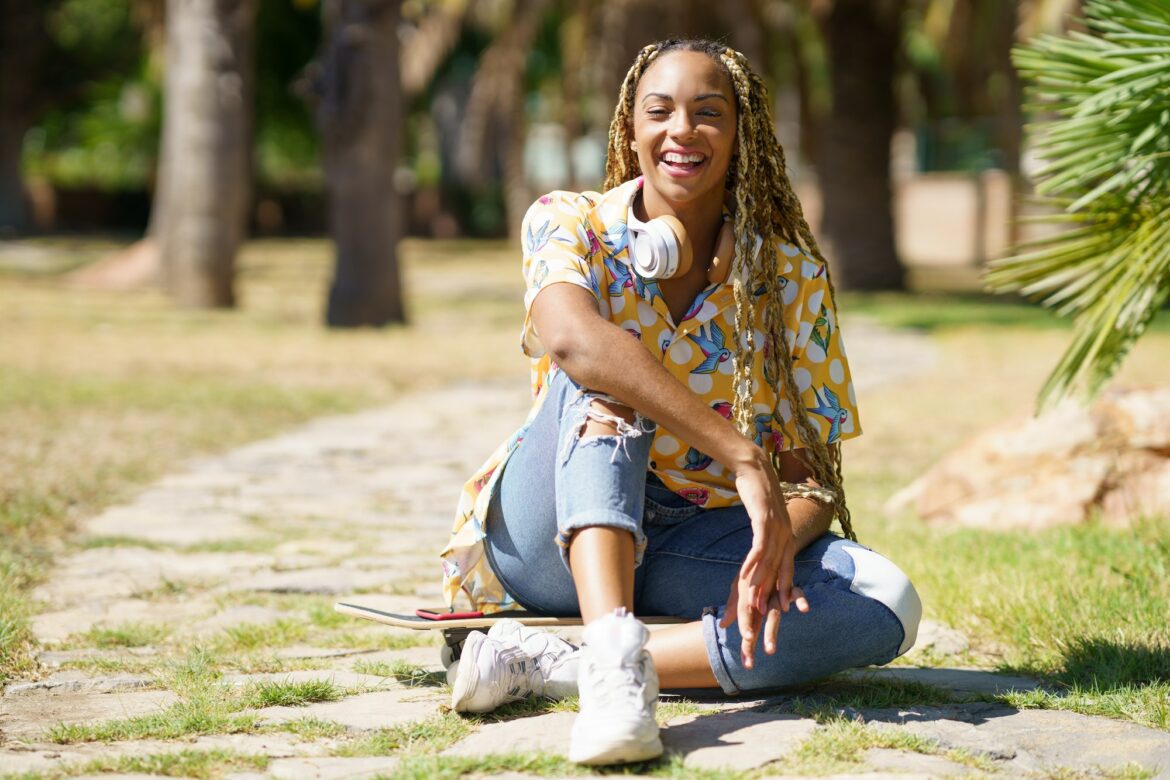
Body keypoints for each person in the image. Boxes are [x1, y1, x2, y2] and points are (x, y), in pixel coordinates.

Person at [439, 38, 921, 766]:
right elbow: (572, 342)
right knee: (607, 372)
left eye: (708, 113)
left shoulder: (787, 276)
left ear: (741, 133)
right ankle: (609, 652)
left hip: (688, 539)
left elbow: (809, 476)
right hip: (547, 539)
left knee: (885, 598)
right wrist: (739, 454)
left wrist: (775, 548)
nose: (682, 131)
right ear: (630, 130)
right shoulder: (569, 223)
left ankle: (578, 666)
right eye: (659, 111)